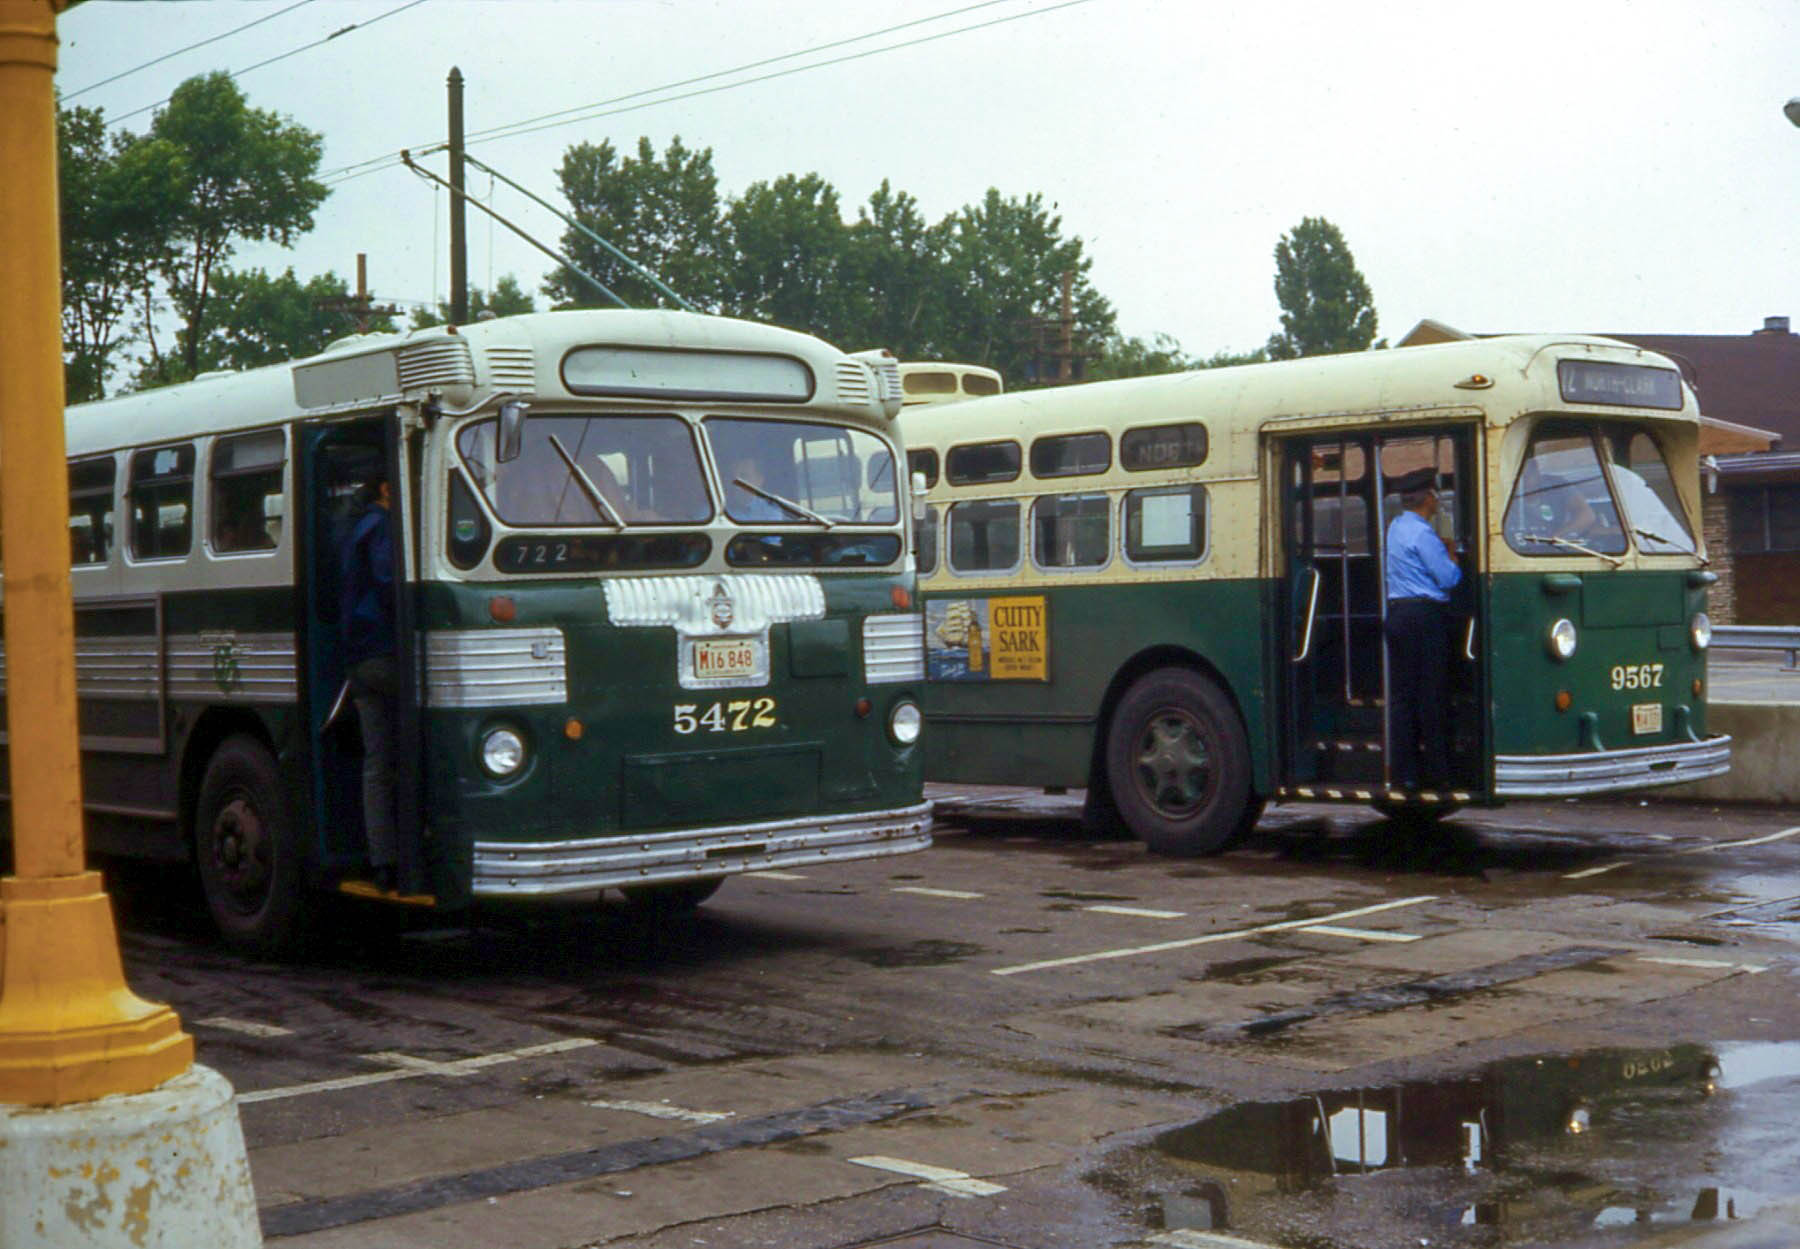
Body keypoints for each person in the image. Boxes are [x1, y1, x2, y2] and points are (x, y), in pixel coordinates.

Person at [1383, 468, 1462, 792]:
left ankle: (1406, 773)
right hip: (1425, 617)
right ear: (1428, 498)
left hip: (1398, 614)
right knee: (1431, 695)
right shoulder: (1423, 534)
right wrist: (1452, 554)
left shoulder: (1395, 527)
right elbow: (1448, 579)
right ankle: (1439, 773)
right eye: (1436, 497)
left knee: (1402, 698)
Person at [339, 470, 399, 891]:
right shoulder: (383, 527)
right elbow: (387, 582)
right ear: (385, 487)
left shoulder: (355, 527)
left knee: (376, 764)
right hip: (384, 652)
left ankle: (383, 860)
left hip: (358, 658)